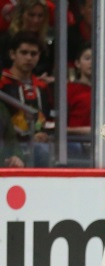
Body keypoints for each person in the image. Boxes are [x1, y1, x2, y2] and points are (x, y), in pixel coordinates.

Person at [0, 30, 52, 167]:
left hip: (38, 144)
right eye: (24, 53)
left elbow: (47, 118)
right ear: (12, 54)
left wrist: (44, 134)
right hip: (8, 144)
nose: (29, 58)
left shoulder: (42, 87)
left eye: (33, 54)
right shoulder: (2, 83)